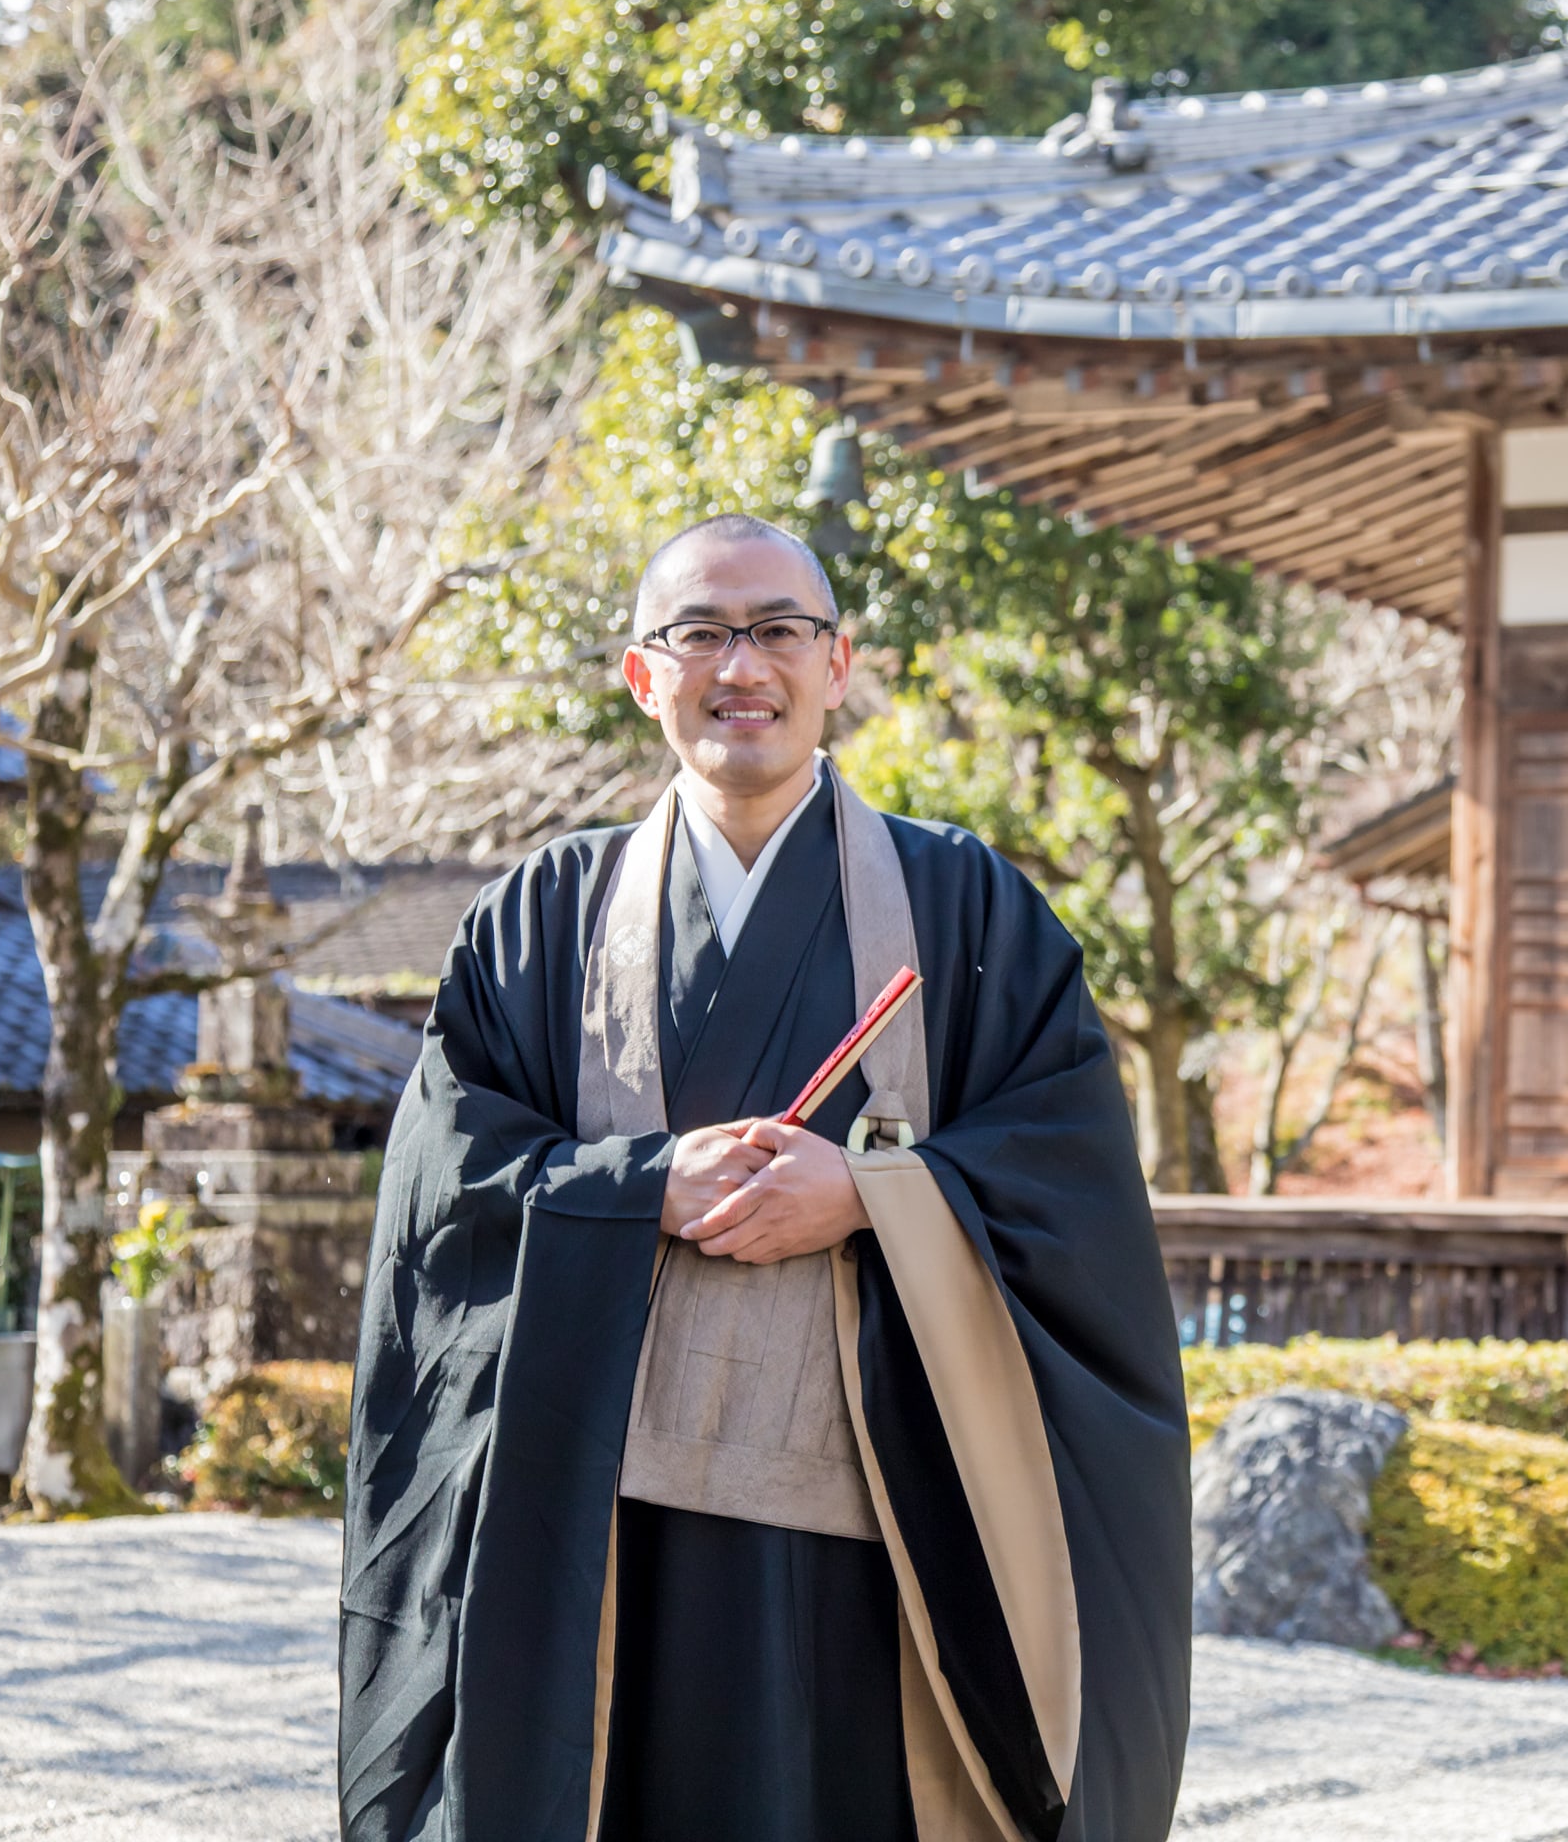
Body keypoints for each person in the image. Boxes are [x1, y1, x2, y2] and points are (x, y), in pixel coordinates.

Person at [339, 514, 1191, 1842]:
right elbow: (445, 1187)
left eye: (779, 631)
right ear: (643, 675)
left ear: (838, 663)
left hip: (874, 1520)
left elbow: (1068, 1173)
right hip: (605, 1528)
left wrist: (873, 1197)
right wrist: (638, 1187)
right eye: (700, 635)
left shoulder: (965, 908)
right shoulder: (541, 917)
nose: (742, 667)